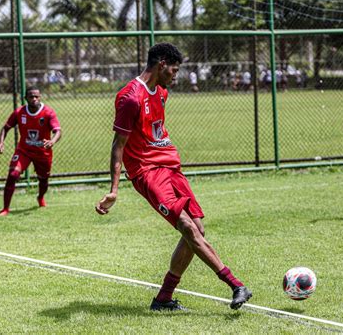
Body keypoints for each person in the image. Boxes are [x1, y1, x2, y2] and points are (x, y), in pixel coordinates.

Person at [95, 42, 252, 311]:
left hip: (170, 168)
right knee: (188, 228)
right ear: (161, 64)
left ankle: (164, 299)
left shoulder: (162, 92)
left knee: (198, 228)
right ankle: (235, 284)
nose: (176, 75)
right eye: (174, 69)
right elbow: (117, 145)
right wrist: (114, 190)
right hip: (147, 172)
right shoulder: (130, 98)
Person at [0, 87, 62, 216]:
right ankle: (5, 209)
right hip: (24, 151)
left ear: (40, 97)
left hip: (43, 153)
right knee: (13, 175)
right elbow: (6, 128)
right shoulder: (19, 112)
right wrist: (1, 142)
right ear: (26, 98)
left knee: (43, 180)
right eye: (31, 97)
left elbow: (58, 131)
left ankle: (40, 197)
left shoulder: (48, 113)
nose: (34, 99)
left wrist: (52, 141)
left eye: (37, 96)